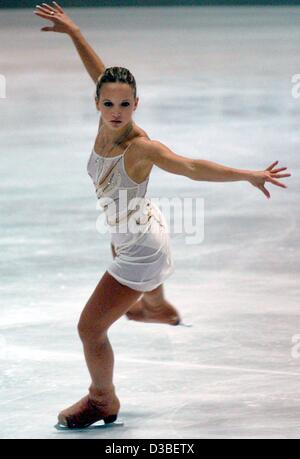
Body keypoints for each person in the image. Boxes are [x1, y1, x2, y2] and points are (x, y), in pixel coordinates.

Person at [33, 2, 291, 430]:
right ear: (97, 102)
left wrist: (248, 175)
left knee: (89, 329)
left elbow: (190, 166)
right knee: (128, 257)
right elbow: (101, 73)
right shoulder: (105, 121)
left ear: (137, 104)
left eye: (125, 104)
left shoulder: (140, 147)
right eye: (109, 102)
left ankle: (102, 399)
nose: (117, 111)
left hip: (141, 247)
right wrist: (75, 33)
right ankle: (155, 306)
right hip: (138, 226)